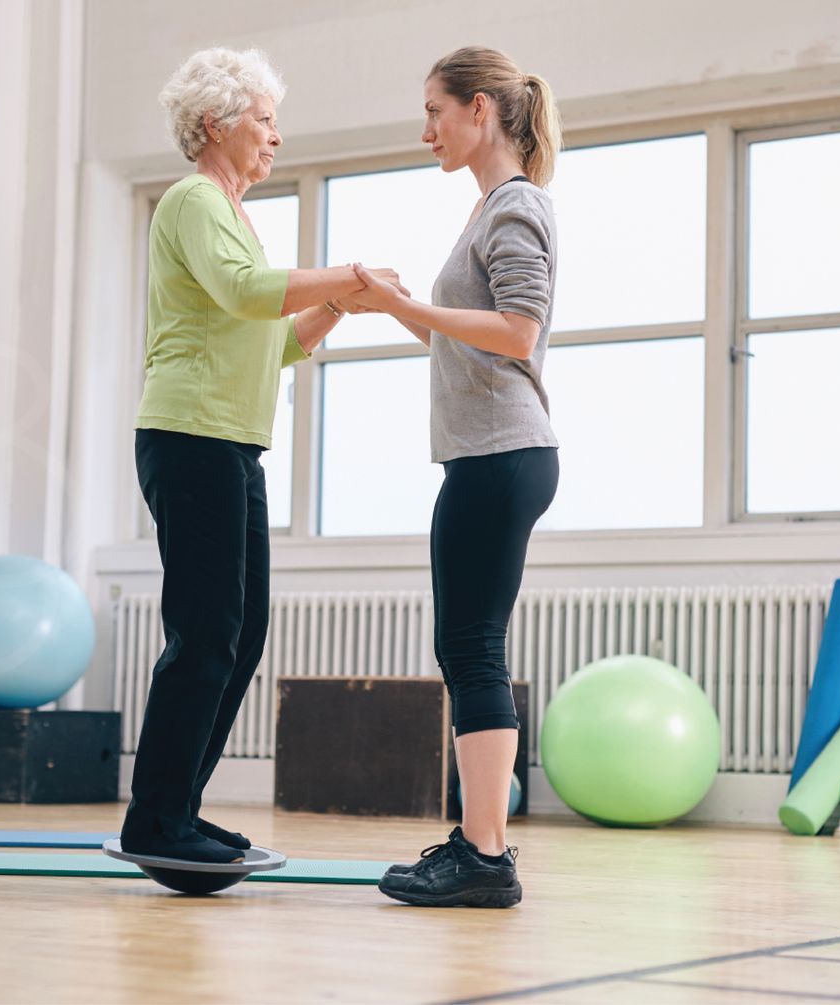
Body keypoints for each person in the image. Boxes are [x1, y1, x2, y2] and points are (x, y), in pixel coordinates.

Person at [124, 46, 405, 864]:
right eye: (265, 119)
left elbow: (272, 342)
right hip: (190, 437)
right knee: (206, 632)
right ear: (216, 124)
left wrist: (342, 307)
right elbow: (250, 292)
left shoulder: (235, 216)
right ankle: (157, 821)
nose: (276, 136)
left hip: (230, 445)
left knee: (239, 637)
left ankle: (177, 809)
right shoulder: (192, 200)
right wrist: (346, 272)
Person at [342, 46, 563, 907]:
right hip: (492, 454)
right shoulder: (492, 210)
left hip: (501, 453)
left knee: (472, 649)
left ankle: (484, 853)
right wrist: (396, 310)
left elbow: (517, 329)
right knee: (466, 647)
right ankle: (482, 845)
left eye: (435, 109)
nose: (425, 128)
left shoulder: (514, 207)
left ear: (480, 110)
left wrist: (407, 305)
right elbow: (468, 337)